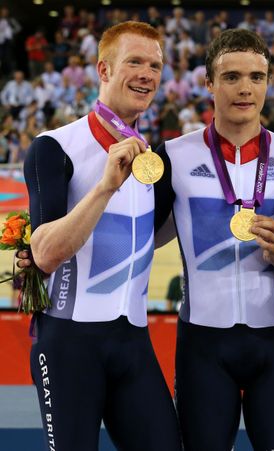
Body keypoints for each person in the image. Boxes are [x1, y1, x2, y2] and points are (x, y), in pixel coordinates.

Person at [153, 29, 274, 451]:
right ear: (208, 83)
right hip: (202, 343)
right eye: (231, 77)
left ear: (268, 82)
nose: (245, 88)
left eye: (256, 77)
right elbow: (138, 240)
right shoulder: (172, 156)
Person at [22, 21, 181, 451]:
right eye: (135, 62)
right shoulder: (55, 147)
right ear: (104, 70)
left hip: (132, 340)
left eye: (155, 65)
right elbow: (45, 253)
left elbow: (149, 235)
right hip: (69, 342)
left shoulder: (153, 158)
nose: (147, 73)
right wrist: (106, 186)